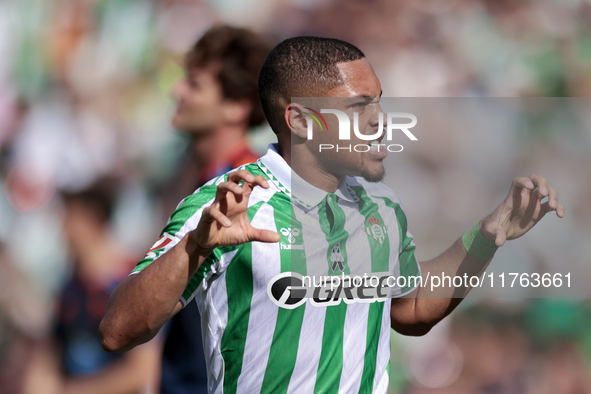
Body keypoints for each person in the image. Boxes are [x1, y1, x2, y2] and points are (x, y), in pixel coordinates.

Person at [99, 36, 565, 393]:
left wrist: (489, 236)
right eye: (360, 106)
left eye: (379, 100)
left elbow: (412, 308)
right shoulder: (230, 203)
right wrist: (195, 248)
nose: (381, 119)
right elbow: (118, 330)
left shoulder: (382, 207)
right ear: (300, 120)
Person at [158, 25, 273, 394]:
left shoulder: (243, 192)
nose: (177, 91)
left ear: (235, 106)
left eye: (193, 84)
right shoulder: (205, 179)